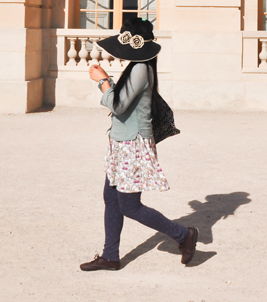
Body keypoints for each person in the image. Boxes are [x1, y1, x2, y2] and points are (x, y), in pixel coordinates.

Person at [79, 17, 197, 271]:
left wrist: (102, 81)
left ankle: (184, 235)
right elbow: (123, 101)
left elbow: (118, 105)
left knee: (130, 206)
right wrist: (108, 82)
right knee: (111, 198)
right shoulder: (136, 66)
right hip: (121, 144)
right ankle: (110, 256)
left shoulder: (141, 68)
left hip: (132, 145)